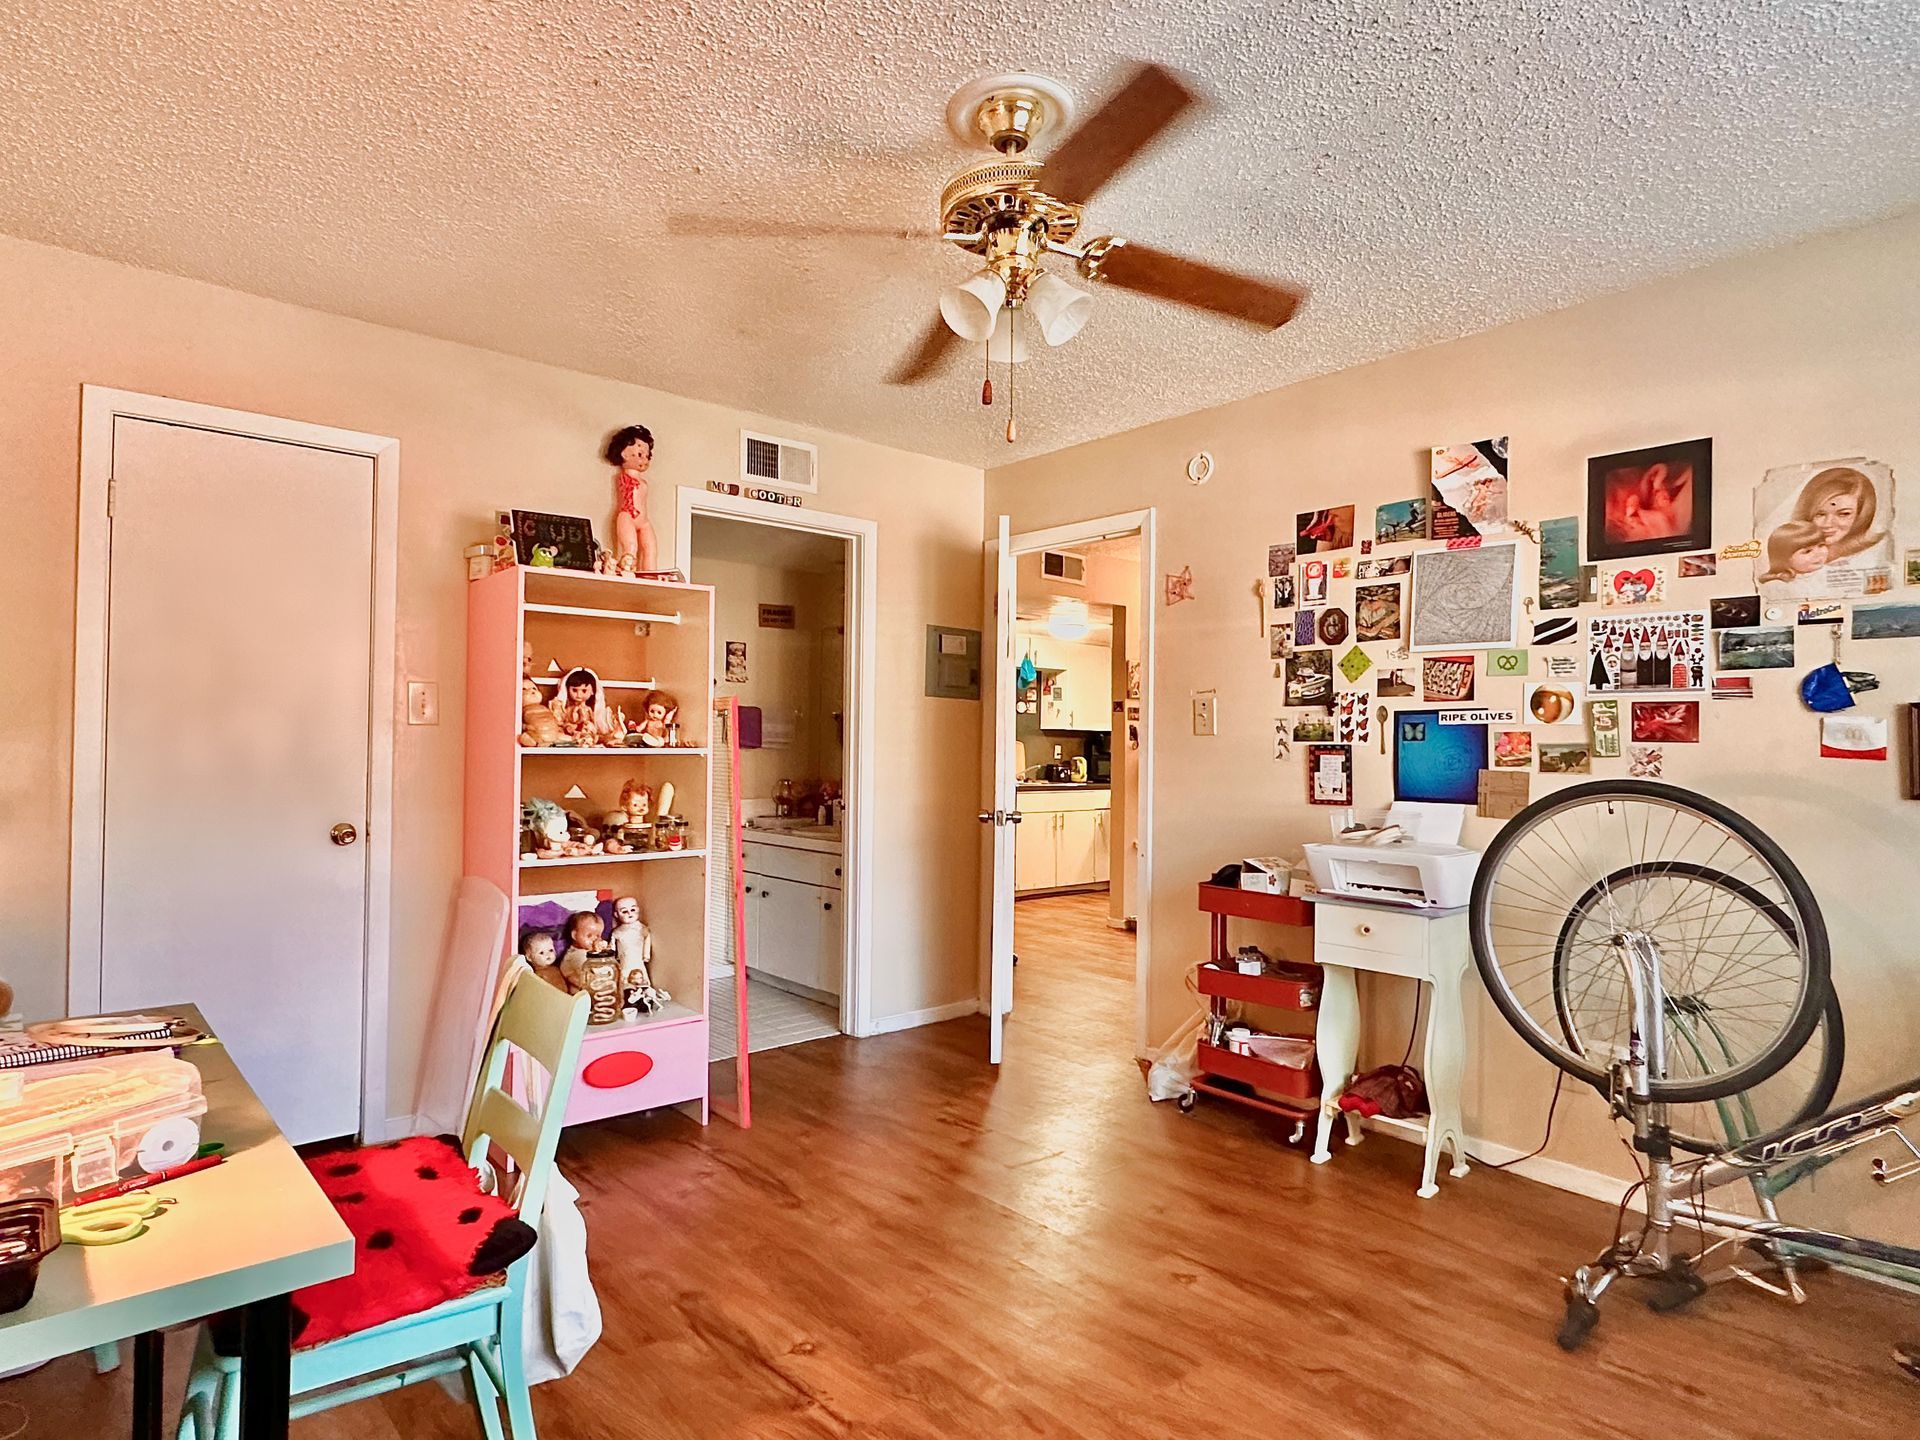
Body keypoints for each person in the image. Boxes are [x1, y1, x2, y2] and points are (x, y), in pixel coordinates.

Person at [604, 424, 660, 573]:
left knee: (651, 547)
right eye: (640, 454)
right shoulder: (624, 477)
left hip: (644, 520)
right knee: (630, 547)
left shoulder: (642, 481)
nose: (645, 460)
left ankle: (650, 574)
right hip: (628, 515)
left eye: (647, 456)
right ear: (624, 454)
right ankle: (627, 569)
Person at [1759, 521, 1829, 584]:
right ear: (1784, 558)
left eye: (1821, 545)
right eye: (1807, 551)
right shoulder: (1780, 585)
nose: (1819, 553)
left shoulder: (1828, 573)